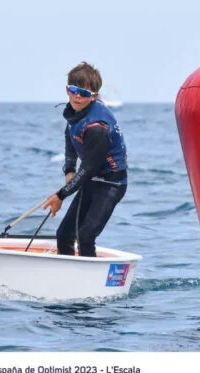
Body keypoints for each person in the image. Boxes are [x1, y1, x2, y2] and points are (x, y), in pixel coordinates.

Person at [42, 62, 128, 257]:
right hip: (91, 179)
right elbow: (70, 136)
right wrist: (69, 170)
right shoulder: (76, 113)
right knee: (64, 234)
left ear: (94, 96)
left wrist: (61, 195)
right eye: (73, 90)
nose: (78, 96)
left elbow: (89, 167)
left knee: (86, 236)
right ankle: (67, 276)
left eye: (84, 93)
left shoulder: (97, 127)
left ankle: (90, 282)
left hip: (111, 183)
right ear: (67, 90)